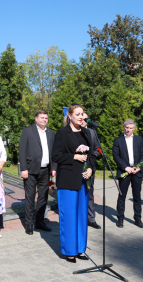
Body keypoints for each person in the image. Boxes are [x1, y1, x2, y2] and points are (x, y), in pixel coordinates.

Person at [52, 104, 95, 263]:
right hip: (68, 180)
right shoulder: (63, 132)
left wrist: (90, 168)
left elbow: (91, 155)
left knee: (82, 216)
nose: (81, 116)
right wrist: (74, 157)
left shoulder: (85, 132)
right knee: (69, 216)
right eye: (77, 114)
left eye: (82, 114)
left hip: (83, 180)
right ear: (69, 116)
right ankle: (69, 251)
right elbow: (56, 156)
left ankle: (80, 249)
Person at [19, 110, 57, 235]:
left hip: (45, 170)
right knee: (30, 197)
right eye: (42, 118)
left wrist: (54, 167)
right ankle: (29, 224)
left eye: (46, 118)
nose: (44, 120)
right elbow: (22, 151)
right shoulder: (27, 131)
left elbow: (54, 152)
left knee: (43, 197)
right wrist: (23, 168)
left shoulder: (51, 133)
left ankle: (40, 222)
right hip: (30, 170)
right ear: (36, 119)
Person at [112, 119, 143, 229]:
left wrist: (139, 167)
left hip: (136, 172)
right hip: (124, 171)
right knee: (122, 196)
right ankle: (120, 218)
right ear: (124, 127)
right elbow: (116, 156)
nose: (128, 130)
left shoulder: (139, 140)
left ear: (134, 128)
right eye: (127, 127)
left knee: (137, 196)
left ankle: (137, 218)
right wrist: (125, 167)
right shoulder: (118, 140)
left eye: (131, 128)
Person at [81, 111, 101, 229]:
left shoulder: (93, 132)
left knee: (89, 193)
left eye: (85, 119)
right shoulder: (74, 131)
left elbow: (98, 148)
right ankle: (80, 218)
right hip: (77, 168)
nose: (83, 120)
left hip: (90, 167)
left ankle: (91, 218)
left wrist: (92, 156)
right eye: (81, 118)